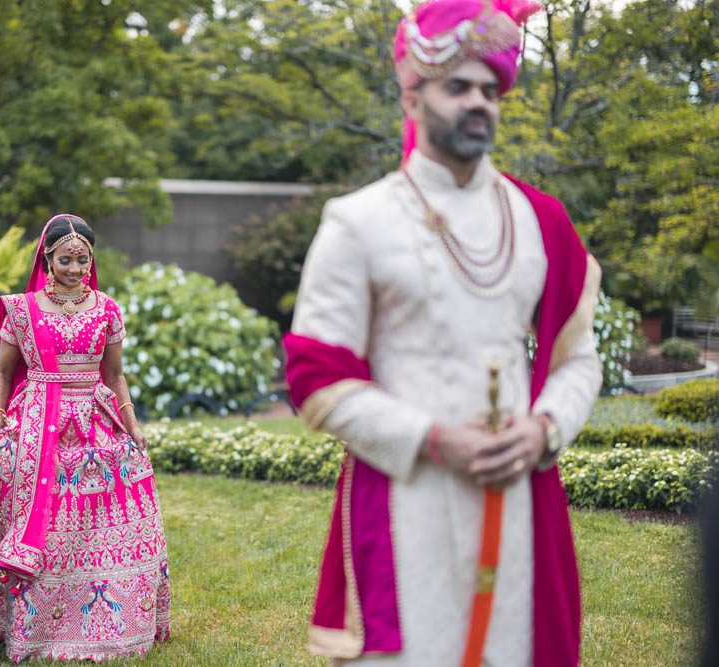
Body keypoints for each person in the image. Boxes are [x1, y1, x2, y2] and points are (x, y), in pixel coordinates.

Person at [283, 1, 603, 665]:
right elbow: (315, 379)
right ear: (411, 94)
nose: (478, 101)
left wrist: (544, 428)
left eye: (490, 88)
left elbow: (580, 360)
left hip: (519, 499)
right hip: (405, 500)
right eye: (457, 86)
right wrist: (432, 440)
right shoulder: (357, 221)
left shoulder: (540, 220)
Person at [0, 214, 170, 662]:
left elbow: (114, 374)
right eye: (66, 259)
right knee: (24, 502)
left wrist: (131, 422)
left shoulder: (107, 308)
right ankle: (4, 619)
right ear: (47, 258)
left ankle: (105, 624)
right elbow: (1, 371)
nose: (75, 268)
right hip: (35, 421)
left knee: (107, 507)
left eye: (83, 260)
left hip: (95, 418)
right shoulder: (22, 310)